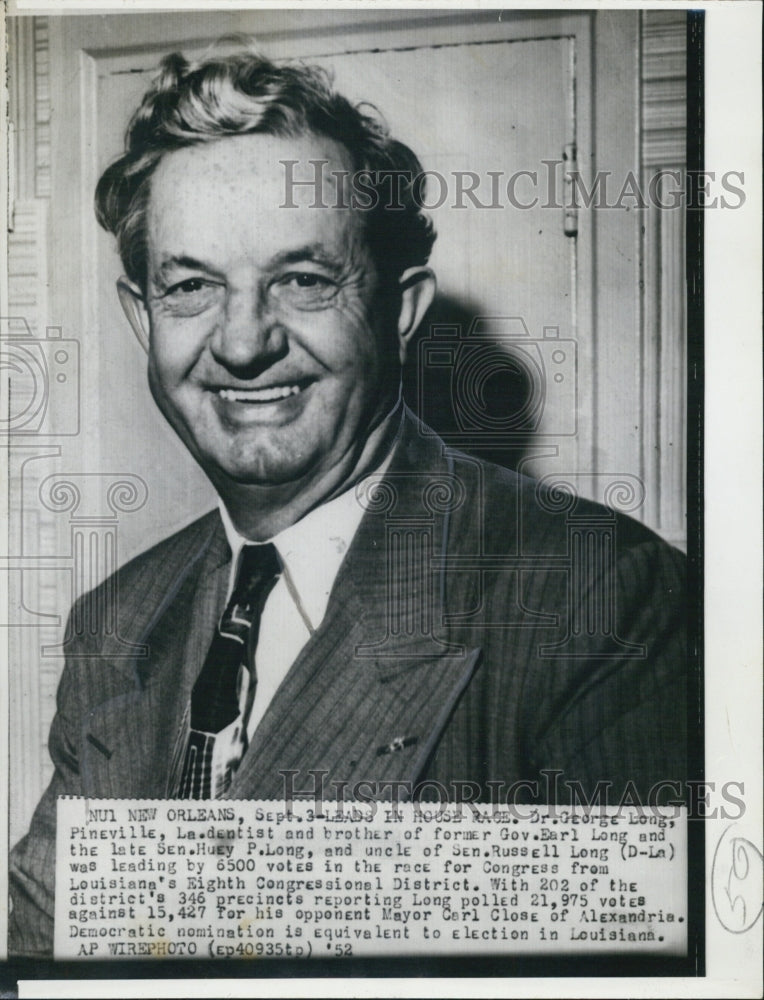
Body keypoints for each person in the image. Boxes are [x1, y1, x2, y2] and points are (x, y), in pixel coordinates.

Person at [8, 43, 686, 957]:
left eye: (303, 280)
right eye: (192, 286)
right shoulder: (117, 623)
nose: (243, 343)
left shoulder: (602, 596)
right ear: (143, 318)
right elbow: (45, 956)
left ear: (400, 311)